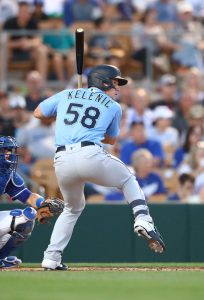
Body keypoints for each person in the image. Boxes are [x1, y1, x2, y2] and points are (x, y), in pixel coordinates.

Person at [34, 64, 166, 271]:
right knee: (127, 178)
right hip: (89, 155)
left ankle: (51, 257)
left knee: (72, 208)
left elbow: (38, 113)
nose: (118, 88)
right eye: (115, 83)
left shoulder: (68, 94)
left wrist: (67, 117)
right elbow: (111, 139)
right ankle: (143, 219)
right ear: (103, 82)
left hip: (61, 161)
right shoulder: (113, 106)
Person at [0, 135, 47, 269]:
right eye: (4, 151)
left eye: (10, 150)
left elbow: (28, 197)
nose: (8, 154)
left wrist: (45, 204)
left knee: (27, 216)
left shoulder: (8, 174)